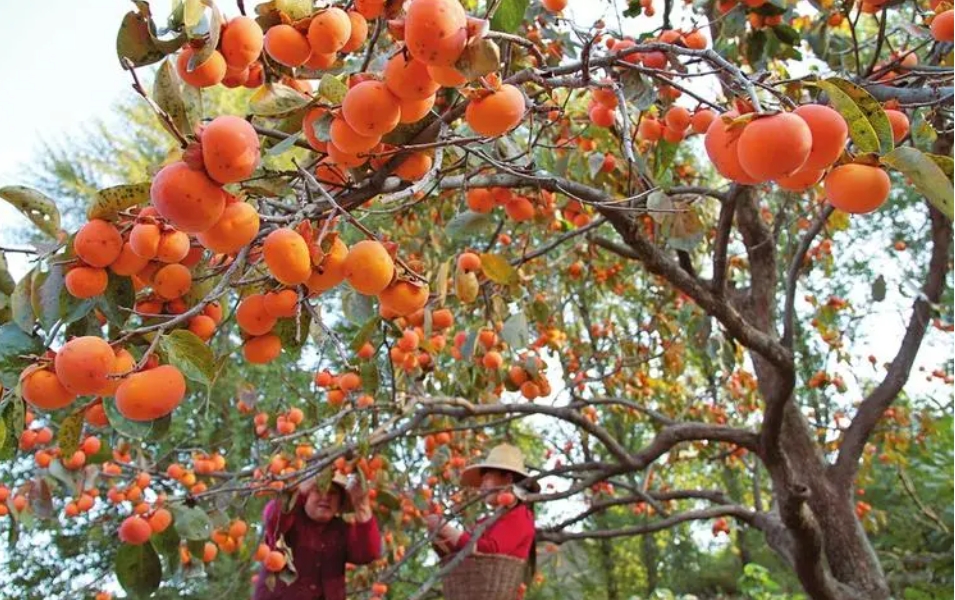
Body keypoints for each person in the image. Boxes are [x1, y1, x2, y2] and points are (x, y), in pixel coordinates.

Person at [253, 471, 381, 600]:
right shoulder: (290, 518)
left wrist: (361, 505)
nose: (325, 497)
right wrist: (297, 492)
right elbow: (273, 520)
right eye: (318, 490)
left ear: (340, 502)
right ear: (307, 494)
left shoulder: (341, 530)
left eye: (333, 493)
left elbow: (368, 554)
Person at [426, 443, 538, 560]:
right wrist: (437, 532)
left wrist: (446, 529)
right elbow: (457, 553)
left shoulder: (521, 515)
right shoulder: (485, 522)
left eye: (487, 478)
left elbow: (490, 551)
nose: (482, 486)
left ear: (508, 479)